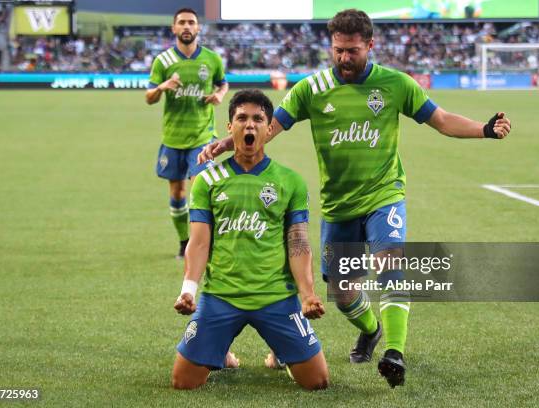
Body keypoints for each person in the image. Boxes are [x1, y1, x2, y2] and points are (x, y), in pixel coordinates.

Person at [198, 9, 511, 388]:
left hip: (384, 194)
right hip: (338, 205)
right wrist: (226, 143)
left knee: (390, 261)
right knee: (342, 292)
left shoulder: (395, 84)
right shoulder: (311, 90)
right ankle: (372, 328)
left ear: (370, 46)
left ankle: (394, 351)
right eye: (338, 50)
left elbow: (441, 119)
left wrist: (484, 130)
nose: (345, 58)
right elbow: (271, 127)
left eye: (353, 50)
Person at [172, 90, 329, 390]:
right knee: (183, 382)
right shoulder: (207, 180)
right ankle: (221, 352)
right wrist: (188, 290)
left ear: (269, 129)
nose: (249, 125)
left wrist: (307, 294)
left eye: (258, 119)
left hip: (276, 298)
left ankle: (279, 352)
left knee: (317, 381)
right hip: (221, 297)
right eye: (241, 118)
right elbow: (199, 242)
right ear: (229, 128)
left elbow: (298, 243)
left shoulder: (290, 181)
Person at [145, 7, 229, 258]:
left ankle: (201, 244)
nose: (186, 27)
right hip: (173, 138)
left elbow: (223, 83)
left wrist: (219, 95)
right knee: (177, 193)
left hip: (203, 137)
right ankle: (184, 241)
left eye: (191, 22)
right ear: (174, 28)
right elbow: (149, 97)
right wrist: (162, 86)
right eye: (181, 22)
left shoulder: (212, 59)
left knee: (199, 191)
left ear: (198, 28)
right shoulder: (163, 61)